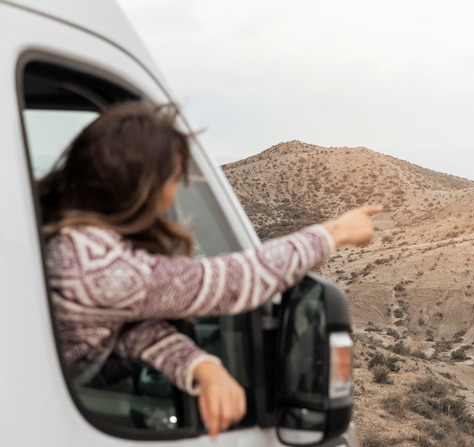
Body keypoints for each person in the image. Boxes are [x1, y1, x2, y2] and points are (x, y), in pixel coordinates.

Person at [38, 101, 381, 439]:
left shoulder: (68, 242)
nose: (173, 195)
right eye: (173, 179)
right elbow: (234, 281)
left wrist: (199, 365)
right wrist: (334, 233)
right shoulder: (99, 265)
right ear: (141, 189)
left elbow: (125, 325)